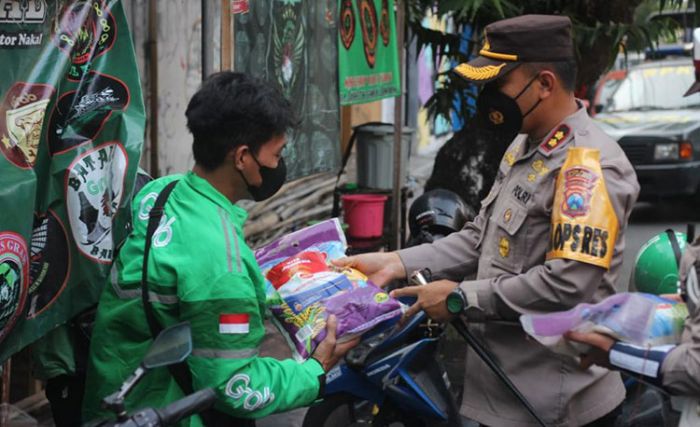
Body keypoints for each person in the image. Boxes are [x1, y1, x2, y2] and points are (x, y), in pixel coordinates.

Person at [336, 15, 639, 427]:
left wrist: (462, 297)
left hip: (554, 404)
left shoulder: (587, 167)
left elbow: (569, 283)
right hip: (502, 390)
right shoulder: (524, 145)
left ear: (545, 84)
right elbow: (481, 238)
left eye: (499, 85)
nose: (488, 96)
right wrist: (397, 261)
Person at [82, 72, 357, 425]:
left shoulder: (160, 192)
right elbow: (234, 387)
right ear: (242, 157)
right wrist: (314, 371)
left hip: (113, 400)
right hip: (167, 414)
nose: (279, 165)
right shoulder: (222, 266)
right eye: (277, 153)